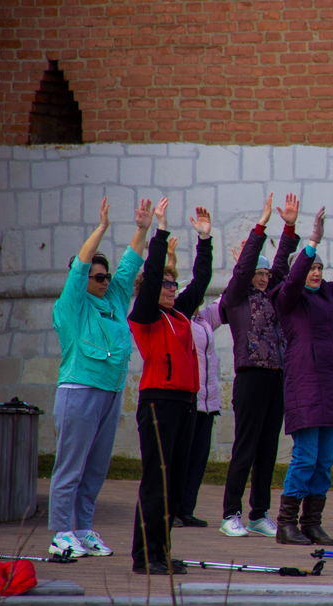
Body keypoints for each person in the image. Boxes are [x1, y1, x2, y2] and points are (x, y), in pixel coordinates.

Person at [47, 197, 153, 558]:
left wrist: (142, 228)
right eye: (99, 276)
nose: (106, 281)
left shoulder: (114, 298)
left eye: (106, 276)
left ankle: (83, 527)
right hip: (79, 391)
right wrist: (103, 227)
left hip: (110, 392)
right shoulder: (73, 303)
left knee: (95, 468)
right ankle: (61, 532)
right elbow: (80, 266)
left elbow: (131, 263)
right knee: (70, 467)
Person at [272, 204, 333, 546]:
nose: (316, 273)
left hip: (332, 383)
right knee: (305, 457)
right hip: (305, 384)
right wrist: (312, 240)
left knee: (325, 461)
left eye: (320, 268)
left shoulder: (327, 292)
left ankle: (312, 522)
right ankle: (286, 524)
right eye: (312, 267)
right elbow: (293, 278)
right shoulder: (287, 298)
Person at [129, 203, 213, 575]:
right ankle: (144, 557)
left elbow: (202, 279)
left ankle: (162, 551)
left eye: (172, 284)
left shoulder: (180, 313)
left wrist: (205, 239)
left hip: (185, 403)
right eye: (165, 284)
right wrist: (160, 231)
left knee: (175, 485)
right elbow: (151, 281)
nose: (171, 289)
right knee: (157, 481)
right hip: (158, 402)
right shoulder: (146, 315)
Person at [218, 193, 301, 538]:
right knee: (246, 446)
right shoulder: (236, 296)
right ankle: (229, 513)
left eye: (268, 274)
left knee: (267, 450)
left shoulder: (271, 295)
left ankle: (258, 513)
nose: (265, 278)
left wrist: (290, 227)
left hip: (275, 377)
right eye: (260, 273)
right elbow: (244, 268)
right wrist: (262, 225)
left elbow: (282, 264)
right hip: (250, 377)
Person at [172, 297, 223, 529]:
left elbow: (229, 297)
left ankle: (186, 510)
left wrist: (243, 266)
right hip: (188, 400)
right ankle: (171, 509)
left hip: (208, 403)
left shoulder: (204, 320)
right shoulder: (175, 319)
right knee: (180, 458)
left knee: (198, 458)